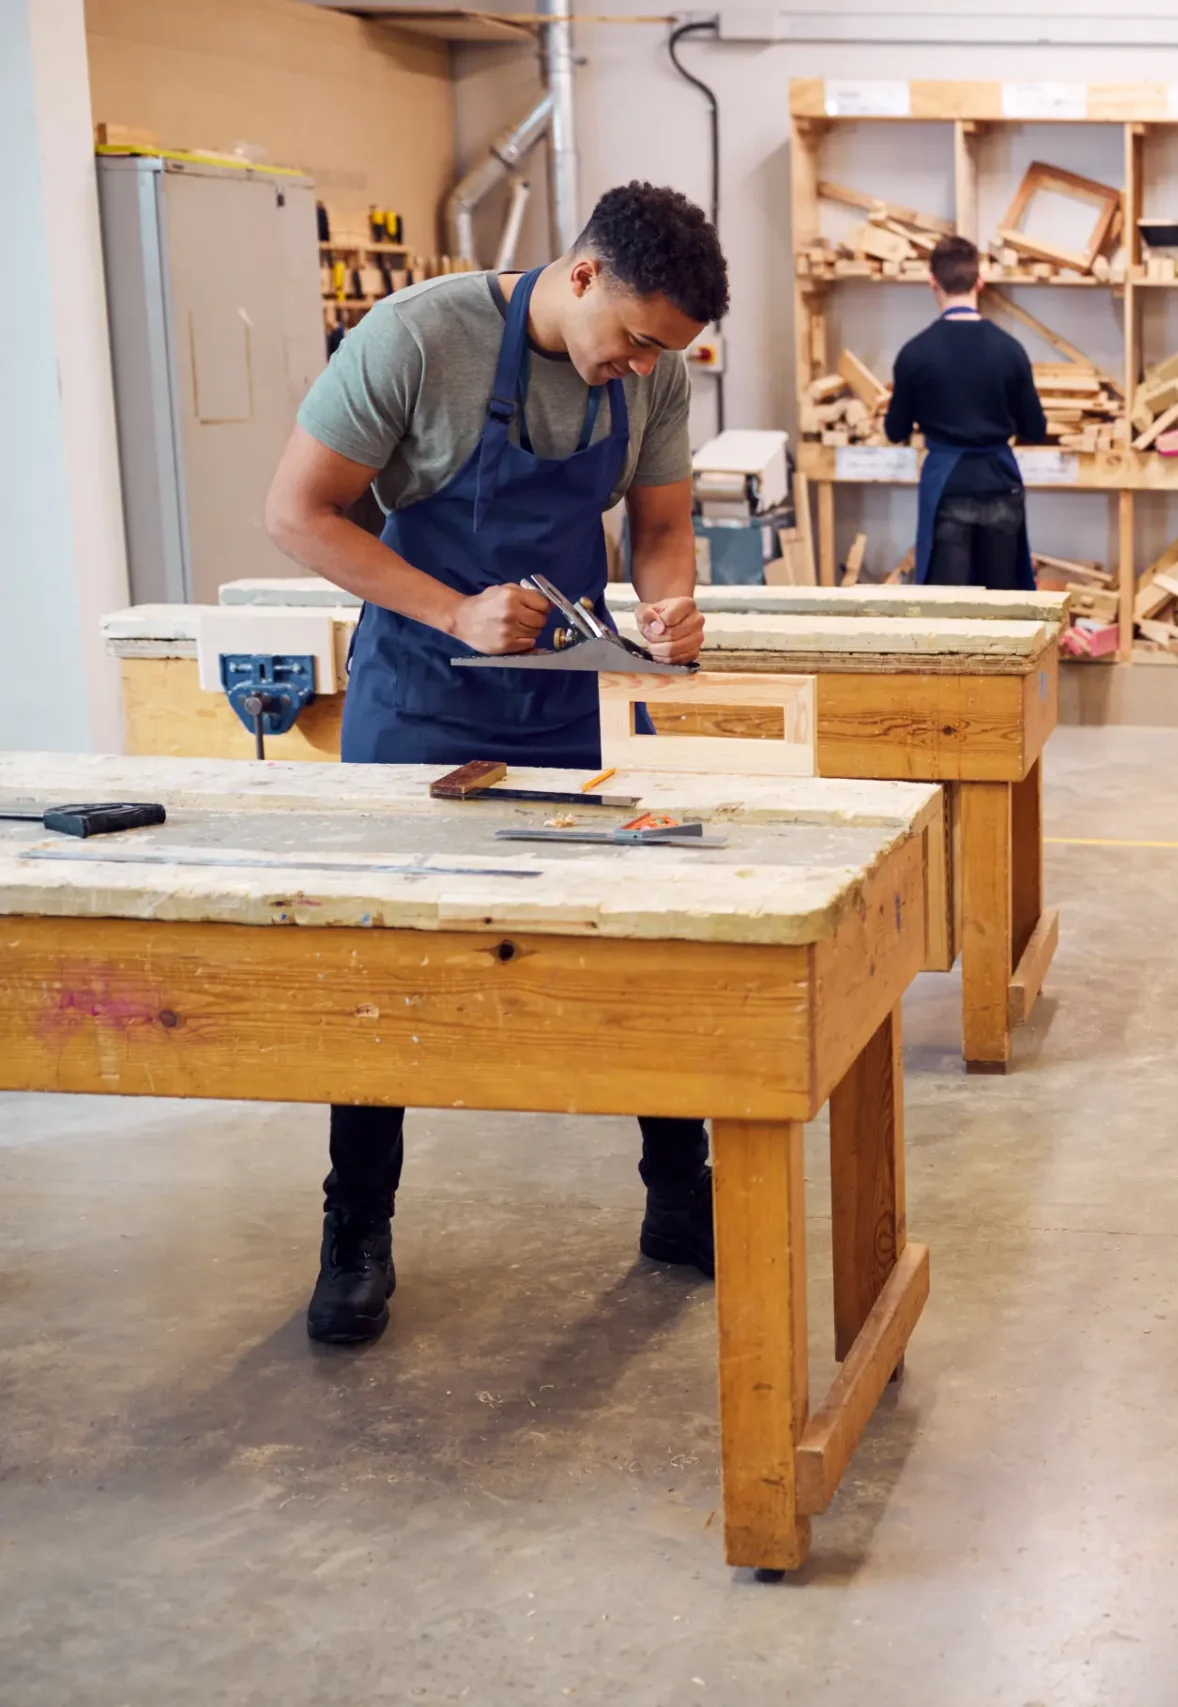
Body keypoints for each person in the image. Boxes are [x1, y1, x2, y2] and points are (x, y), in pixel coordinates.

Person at [262, 183, 726, 1345]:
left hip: (572, 692)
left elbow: (661, 529)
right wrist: (453, 612)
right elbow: (297, 513)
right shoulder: (419, 337)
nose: (641, 367)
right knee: (384, 955)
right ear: (579, 279)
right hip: (421, 693)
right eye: (632, 340)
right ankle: (355, 1228)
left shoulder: (653, 370)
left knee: (650, 935)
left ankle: (679, 1194)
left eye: (665, 352)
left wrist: (669, 613)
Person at [884, 236, 1050, 589]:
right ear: (979, 282)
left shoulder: (915, 353)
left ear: (932, 281)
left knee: (950, 613)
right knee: (1004, 608)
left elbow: (894, 429)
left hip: (947, 486)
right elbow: (1036, 428)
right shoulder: (1011, 350)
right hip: (1000, 484)